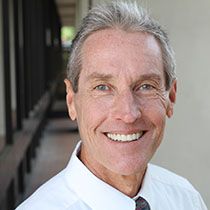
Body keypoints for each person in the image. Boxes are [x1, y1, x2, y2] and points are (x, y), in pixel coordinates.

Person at [16, 1, 208, 210]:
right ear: (72, 101)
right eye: (102, 87)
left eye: (145, 86)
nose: (128, 113)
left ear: (170, 97)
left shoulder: (187, 199)